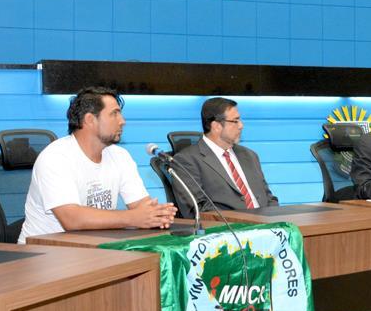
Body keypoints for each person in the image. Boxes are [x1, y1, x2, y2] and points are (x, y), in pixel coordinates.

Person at [18, 86, 176, 243]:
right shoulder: (55, 157)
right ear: (90, 120)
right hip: (44, 253)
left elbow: (141, 205)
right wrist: (133, 218)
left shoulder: (120, 156)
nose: (122, 121)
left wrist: (157, 215)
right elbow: (72, 219)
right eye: (114, 114)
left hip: (93, 247)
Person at [171, 97, 279, 216]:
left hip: (267, 226)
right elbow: (198, 209)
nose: (241, 125)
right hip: (230, 229)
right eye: (235, 121)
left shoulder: (250, 155)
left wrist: (275, 220)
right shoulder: (186, 160)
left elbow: (269, 198)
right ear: (216, 126)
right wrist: (245, 221)